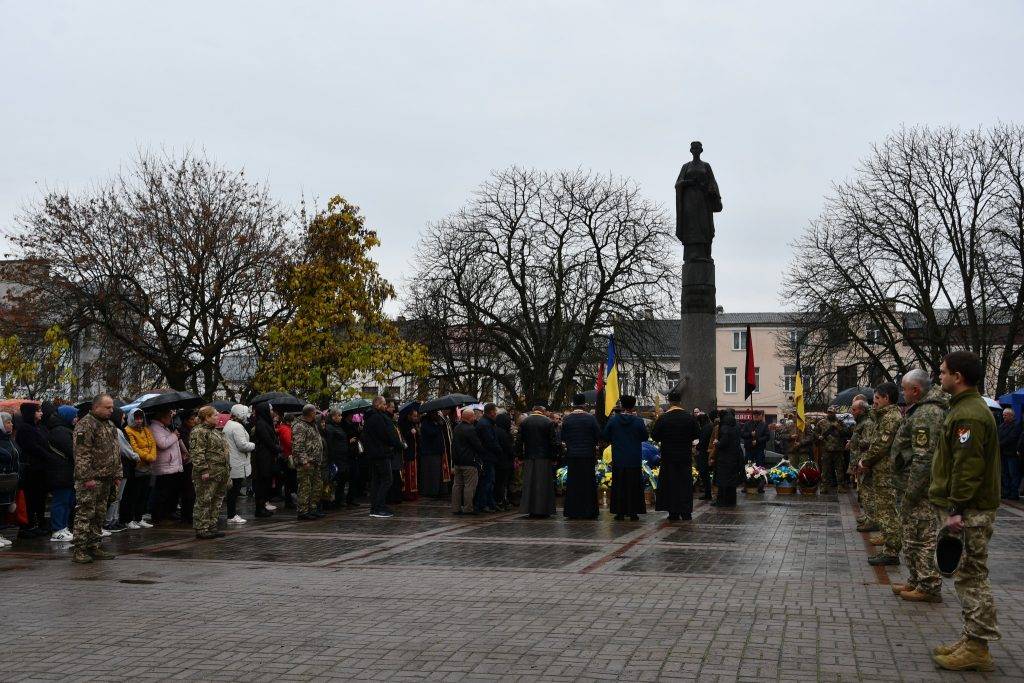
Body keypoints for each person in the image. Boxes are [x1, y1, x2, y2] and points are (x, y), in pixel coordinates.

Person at [929, 351, 1000, 672]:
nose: (939, 377)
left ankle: (978, 646)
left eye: (943, 373)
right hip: (968, 506)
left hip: (969, 510)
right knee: (966, 575)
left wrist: (956, 509)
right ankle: (971, 637)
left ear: (957, 377)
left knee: (971, 576)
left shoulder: (968, 415)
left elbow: (967, 467)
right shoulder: (963, 409)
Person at [887, 369, 947, 603]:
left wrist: (912, 492)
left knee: (922, 537)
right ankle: (916, 579)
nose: (902, 393)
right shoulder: (920, 410)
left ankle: (929, 585)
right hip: (912, 486)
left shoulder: (928, 413)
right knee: (911, 536)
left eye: (904, 388)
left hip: (920, 490)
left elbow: (924, 457)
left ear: (916, 390)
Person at [857, 382, 904, 566]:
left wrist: (865, 461)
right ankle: (888, 542)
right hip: (881, 470)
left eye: (877, 398)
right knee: (884, 510)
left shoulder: (891, 417)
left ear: (886, 398)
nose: (874, 402)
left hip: (886, 472)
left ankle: (891, 550)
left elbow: (881, 446)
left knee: (887, 512)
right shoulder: (883, 416)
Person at [70, 395, 120, 564]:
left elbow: (115, 451)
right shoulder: (86, 425)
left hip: (106, 478)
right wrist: (87, 477)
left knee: (99, 514)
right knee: (85, 513)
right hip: (91, 480)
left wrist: (117, 474)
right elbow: (82, 454)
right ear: (96, 407)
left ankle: (94, 545)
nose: (111, 411)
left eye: (112, 407)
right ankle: (80, 549)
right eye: (108, 408)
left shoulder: (109, 425)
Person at [651, 391, 701, 521]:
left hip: (668, 457)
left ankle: (673, 512)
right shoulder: (689, 417)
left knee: (671, 483)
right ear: (680, 401)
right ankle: (686, 512)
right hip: (684, 456)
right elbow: (697, 434)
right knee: (685, 483)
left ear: (669, 401)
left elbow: (655, 436)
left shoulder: (663, 418)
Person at [603, 396, 648, 520]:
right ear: (633, 407)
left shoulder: (614, 420)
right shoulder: (638, 421)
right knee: (634, 486)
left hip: (619, 457)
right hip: (633, 458)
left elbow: (606, 435)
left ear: (621, 406)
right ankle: (633, 512)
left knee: (619, 486)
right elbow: (645, 437)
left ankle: (620, 512)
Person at [188, 406, 230, 539]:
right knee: (204, 500)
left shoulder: (216, 431)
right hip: (207, 473)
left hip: (220, 472)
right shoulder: (199, 431)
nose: (218, 418)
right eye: (215, 415)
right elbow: (197, 453)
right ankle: (202, 528)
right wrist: (203, 469)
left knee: (217, 500)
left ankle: (212, 525)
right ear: (206, 417)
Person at [560, 394, 601, 520]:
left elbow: (563, 437)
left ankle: (573, 511)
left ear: (573, 404)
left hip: (572, 455)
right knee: (588, 483)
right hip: (587, 455)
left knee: (573, 484)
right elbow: (598, 435)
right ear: (584, 405)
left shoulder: (567, 419)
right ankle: (589, 511)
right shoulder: (591, 418)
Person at [361, 397, 403, 518]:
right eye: (384, 404)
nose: (386, 406)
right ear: (377, 404)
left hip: (375, 453)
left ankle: (376, 507)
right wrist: (397, 444)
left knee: (377, 481)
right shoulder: (378, 417)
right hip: (381, 453)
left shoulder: (371, 417)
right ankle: (378, 507)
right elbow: (387, 434)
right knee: (387, 480)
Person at [517, 405, 559, 518]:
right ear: (542, 411)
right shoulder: (548, 422)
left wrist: (520, 457)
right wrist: (554, 457)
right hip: (544, 457)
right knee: (543, 483)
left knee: (529, 483)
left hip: (529, 456)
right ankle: (543, 509)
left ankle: (530, 509)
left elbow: (519, 441)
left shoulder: (525, 422)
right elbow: (553, 442)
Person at [43, 404, 78, 542]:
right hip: (60, 472)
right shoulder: (60, 431)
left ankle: (63, 527)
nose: (76, 419)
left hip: (65, 472)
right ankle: (58, 529)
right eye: (74, 416)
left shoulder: (64, 429)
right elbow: (72, 450)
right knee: (61, 501)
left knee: (67, 500)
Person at [14, 402, 49, 537]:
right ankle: (27, 526)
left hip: (40, 469)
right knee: (30, 499)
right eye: (37, 411)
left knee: (39, 498)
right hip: (31, 469)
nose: (41, 413)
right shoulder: (25, 429)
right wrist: (48, 456)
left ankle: (38, 523)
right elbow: (33, 447)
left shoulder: (39, 427)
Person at [149, 408, 184, 525]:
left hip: (172, 466)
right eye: (169, 416)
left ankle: (168, 513)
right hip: (164, 466)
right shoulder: (155, 428)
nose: (171, 418)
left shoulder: (165, 427)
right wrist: (174, 436)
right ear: (162, 417)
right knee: (162, 494)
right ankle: (159, 516)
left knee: (170, 493)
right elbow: (163, 444)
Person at [122, 408, 156, 529]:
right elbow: (133, 447)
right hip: (136, 467)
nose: (139, 421)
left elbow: (152, 444)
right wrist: (146, 456)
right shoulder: (128, 430)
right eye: (136, 418)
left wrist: (152, 456)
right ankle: (129, 519)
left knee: (143, 494)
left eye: (141, 418)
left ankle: (139, 517)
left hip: (147, 466)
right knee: (133, 494)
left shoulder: (146, 430)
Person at [292, 404, 326, 520]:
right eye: (315, 412)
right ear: (310, 413)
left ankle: (312, 508)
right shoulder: (300, 426)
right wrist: (304, 460)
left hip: (315, 461)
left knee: (317, 486)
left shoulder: (312, 425)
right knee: (305, 487)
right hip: (306, 462)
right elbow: (298, 446)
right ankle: (303, 511)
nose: (316, 415)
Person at [849, 399, 878, 532]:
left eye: (854, 410)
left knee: (867, 493)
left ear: (861, 410)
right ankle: (868, 516)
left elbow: (868, 442)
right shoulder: (861, 422)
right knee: (863, 491)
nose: (852, 412)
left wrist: (856, 441)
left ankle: (872, 520)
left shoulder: (867, 423)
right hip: (859, 461)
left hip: (864, 462)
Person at [223, 405, 255, 524]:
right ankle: (231, 515)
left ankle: (232, 515)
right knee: (234, 491)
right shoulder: (236, 427)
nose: (247, 416)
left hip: (234, 461)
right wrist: (253, 445)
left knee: (233, 490)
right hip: (237, 462)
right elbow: (242, 445)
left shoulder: (231, 424)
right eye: (245, 413)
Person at [451, 407, 484, 515]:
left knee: (457, 485)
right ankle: (468, 508)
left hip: (457, 461)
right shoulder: (471, 429)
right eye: (473, 416)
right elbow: (477, 445)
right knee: (469, 486)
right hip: (469, 461)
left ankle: (455, 507)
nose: (475, 418)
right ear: (470, 417)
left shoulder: (457, 428)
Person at [250, 402, 280, 518]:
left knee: (265, 483)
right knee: (261, 484)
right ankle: (259, 508)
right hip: (263, 458)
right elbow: (268, 441)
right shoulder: (261, 424)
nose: (272, 412)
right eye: (270, 410)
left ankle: (262, 507)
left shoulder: (266, 423)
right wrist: (277, 448)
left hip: (268, 457)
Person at [712, 411, 744, 507]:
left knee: (722, 481)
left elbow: (723, 443)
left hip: (725, 458)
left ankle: (721, 501)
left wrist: (717, 442)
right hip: (735, 457)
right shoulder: (737, 426)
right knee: (731, 481)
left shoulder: (725, 428)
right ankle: (731, 501)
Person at [816, 407, 851, 494]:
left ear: (835, 413)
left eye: (832, 412)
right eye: (829, 412)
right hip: (826, 449)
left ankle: (840, 486)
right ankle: (824, 487)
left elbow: (846, 433)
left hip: (838, 449)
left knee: (839, 469)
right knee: (825, 469)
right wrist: (818, 437)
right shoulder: (821, 422)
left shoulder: (840, 422)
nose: (830, 414)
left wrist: (838, 427)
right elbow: (815, 432)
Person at [474, 403, 501, 513]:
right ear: (491, 412)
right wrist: (499, 449)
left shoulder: (487, 423)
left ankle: (490, 503)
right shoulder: (485, 424)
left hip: (488, 456)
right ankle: (483, 504)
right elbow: (490, 441)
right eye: (495, 411)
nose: (496, 413)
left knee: (489, 481)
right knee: (487, 482)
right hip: (487, 457)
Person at [0, 412, 20, 548]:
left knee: (3, 507)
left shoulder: (9, 439)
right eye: (8, 422)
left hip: (9, 480)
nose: (11, 425)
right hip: (2, 477)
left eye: (11, 422)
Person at [324, 408, 351, 509]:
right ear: (333, 416)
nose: (341, 417)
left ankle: (338, 500)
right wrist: (332, 458)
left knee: (342, 480)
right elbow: (330, 445)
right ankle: (331, 501)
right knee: (334, 481)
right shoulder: (330, 428)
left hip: (343, 458)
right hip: (336, 459)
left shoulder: (338, 427)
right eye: (339, 415)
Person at [418, 411, 448, 498]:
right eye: (436, 414)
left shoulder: (434, 422)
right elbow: (432, 433)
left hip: (436, 451)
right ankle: (430, 491)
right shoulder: (425, 423)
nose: (437, 416)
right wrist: (439, 425)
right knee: (431, 473)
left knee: (436, 473)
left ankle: (437, 490)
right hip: (429, 452)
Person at [493, 411, 516, 510]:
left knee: (499, 483)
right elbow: (508, 448)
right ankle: (501, 500)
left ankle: (500, 500)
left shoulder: (495, 430)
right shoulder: (503, 433)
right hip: (504, 461)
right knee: (502, 483)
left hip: (498, 460)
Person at [997, 408, 1021, 501]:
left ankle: (1014, 493)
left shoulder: (1016, 426)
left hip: (1012, 454)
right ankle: (1006, 492)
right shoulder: (1001, 426)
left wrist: (1000, 444)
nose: (1003, 416)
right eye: (1003, 415)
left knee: (1013, 473)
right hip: (1003, 453)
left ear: (1011, 416)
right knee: (1005, 474)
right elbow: (998, 436)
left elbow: (1012, 438)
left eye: (1005, 415)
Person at [397, 405, 420, 502]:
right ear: (409, 416)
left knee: (413, 474)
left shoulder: (413, 424)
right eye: (414, 416)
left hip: (414, 452)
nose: (415, 418)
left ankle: (413, 492)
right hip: (407, 453)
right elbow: (402, 437)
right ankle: (407, 493)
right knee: (408, 475)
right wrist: (410, 432)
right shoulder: (403, 424)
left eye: (416, 416)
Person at [695, 411, 713, 500]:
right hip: (707, 453)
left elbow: (703, 442)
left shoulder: (705, 428)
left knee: (704, 474)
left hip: (704, 454)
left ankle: (708, 493)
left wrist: (696, 447)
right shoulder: (709, 426)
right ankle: (708, 492)